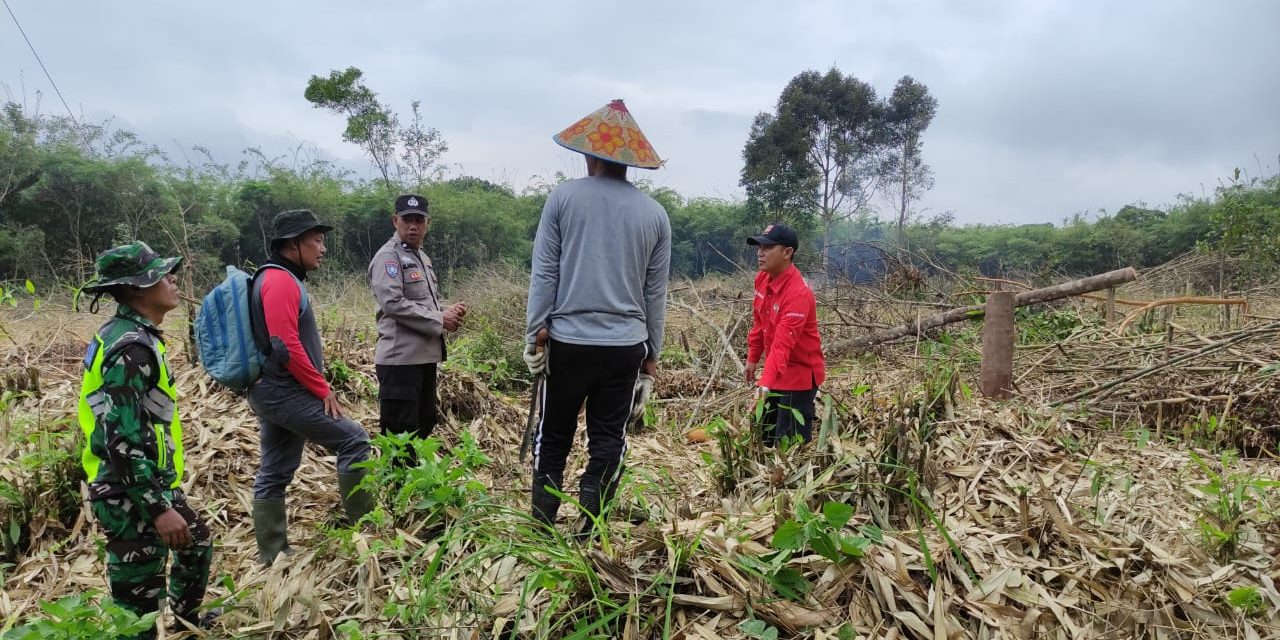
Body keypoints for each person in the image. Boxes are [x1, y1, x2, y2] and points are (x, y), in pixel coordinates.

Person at [524, 99, 671, 533]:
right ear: (630, 163)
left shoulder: (563, 198)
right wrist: (652, 355)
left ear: (590, 156)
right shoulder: (655, 215)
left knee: (554, 434)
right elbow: (654, 293)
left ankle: (543, 525)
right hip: (625, 347)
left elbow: (545, 272)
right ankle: (590, 524)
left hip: (569, 343)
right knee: (609, 438)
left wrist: (535, 333)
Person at [78, 242, 213, 637]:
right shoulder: (130, 348)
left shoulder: (131, 335)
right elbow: (121, 438)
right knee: (138, 608)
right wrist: (157, 509)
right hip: (127, 491)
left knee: (196, 543)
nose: (173, 279)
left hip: (146, 479)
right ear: (136, 289)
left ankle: (186, 622)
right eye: (161, 275)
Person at [247, 209, 373, 564]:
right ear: (293, 244)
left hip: (272, 390)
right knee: (353, 439)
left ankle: (273, 555)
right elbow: (284, 344)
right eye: (316, 240)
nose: (323, 248)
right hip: (284, 391)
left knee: (275, 469)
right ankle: (368, 534)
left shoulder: (275, 276)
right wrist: (322, 389)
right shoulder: (280, 281)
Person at [368, 194, 467, 455]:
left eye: (419, 221)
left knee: (424, 425)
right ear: (395, 221)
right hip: (400, 361)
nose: (413, 226)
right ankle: (397, 482)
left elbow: (423, 302)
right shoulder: (388, 257)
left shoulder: (422, 257)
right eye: (407, 220)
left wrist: (447, 311)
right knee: (400, 436)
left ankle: (412, 479)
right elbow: (393, 303)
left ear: (427, 224)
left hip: (423, 360)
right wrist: (440, 319)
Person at [743, 223, 825, 446]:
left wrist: (764, 385)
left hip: (799, 376)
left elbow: (782, 345)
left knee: (789, 446)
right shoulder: (762, 279)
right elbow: (759, 323)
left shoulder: (798, 294)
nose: (760, 252)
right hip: (775, 370)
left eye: (768, 247)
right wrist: (752, 358)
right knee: (763, 439)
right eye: (759, 247)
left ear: (787, 252)